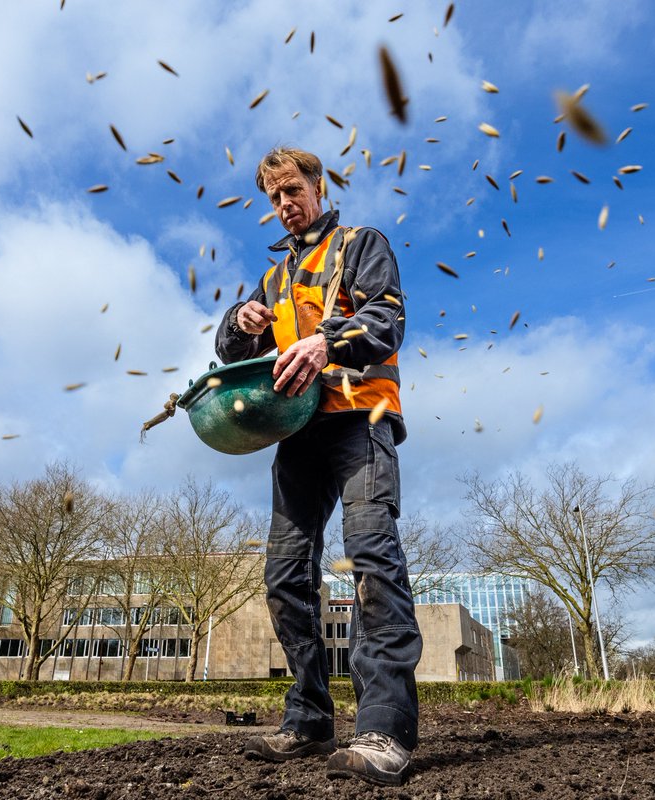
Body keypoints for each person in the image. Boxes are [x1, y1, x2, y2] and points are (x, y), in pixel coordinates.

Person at [215, 146, 422, 786]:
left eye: (292, 191)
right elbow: (228, 352)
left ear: (318, 185)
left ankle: (384, 728)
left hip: (361, 417)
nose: (284, 205)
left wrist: (325, 339)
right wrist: (239, 322)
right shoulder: (274, 277)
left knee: (371, 556)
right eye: (273, 197)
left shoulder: (361, 244)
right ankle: (308, 717)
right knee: (283, 573)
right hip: (298, 430)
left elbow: (387, 318)